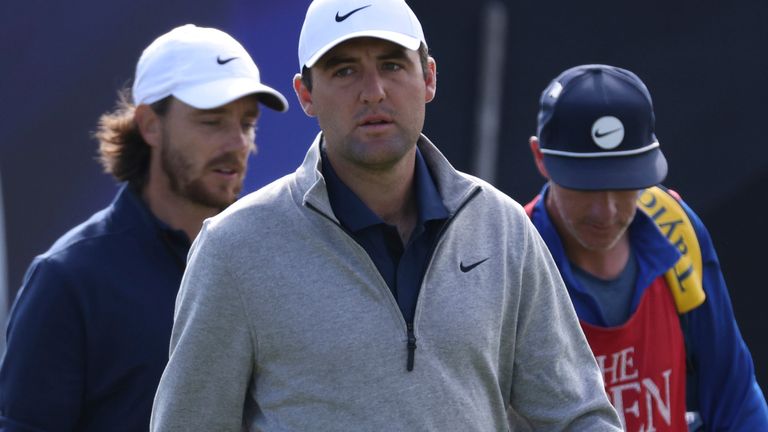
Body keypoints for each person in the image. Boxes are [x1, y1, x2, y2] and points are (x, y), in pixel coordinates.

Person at [149, 1, 623, 431]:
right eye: (344, 70)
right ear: (306, 94)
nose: (373, 92)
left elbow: (577, 416)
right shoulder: (234, 247)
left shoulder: (502, 227)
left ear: (429, 78)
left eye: (392, 65)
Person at [0, 24, 288, 431]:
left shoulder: (270, 261)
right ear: (150, 124)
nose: (238, 143)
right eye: (212, 121)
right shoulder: (68, 279)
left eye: (247, 123)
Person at [524, 64, 768, 431]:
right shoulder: (513, 257)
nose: (606, 211)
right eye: (585, 186)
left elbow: (734, 396)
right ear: (540, 157)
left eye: (626, 184)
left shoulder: (675, 226)